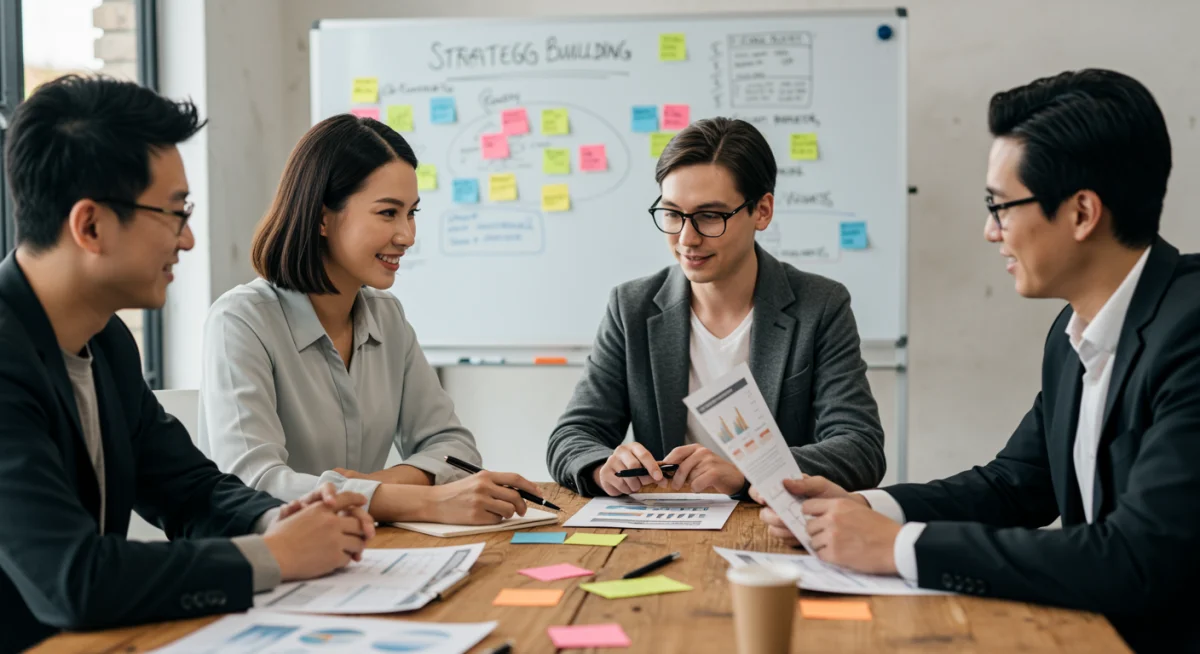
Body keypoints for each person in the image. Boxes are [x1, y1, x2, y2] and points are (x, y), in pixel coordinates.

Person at [756, 69, 1200, 652]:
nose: (990, 232)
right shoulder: (1074, 332)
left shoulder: (1189, 332)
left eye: (1001, 207)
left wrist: (896, 548)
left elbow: (1136, 556)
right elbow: (1014, 485)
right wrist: (866, 507)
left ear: (1082, 213)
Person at [0, 75, 375, 653]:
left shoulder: (107, 343)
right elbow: (73, 579)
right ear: (91, 226)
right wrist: (273, 556)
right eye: (175, 213)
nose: (190, 240)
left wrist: (278, 521)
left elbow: (187, 489)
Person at [197, 114, 541, 526]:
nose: (407, 235)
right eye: (387, 213)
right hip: (269, 569)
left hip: (361, 554)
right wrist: (419, 500)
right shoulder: (241, 320)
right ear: (323, 217)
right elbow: (254, 484)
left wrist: (376, 486)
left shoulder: (387, 317)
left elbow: (454, 447)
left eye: (411, 213)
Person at [547, 117, 886, 498]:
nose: (686, 239)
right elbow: (572, 436)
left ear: (762, 211)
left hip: (771, 528)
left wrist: (748, 474)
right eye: (673, 214)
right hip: (668, 526)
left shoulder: (820, 306)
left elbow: (861, 449)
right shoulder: (632, 308)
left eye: (710, 216)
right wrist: (600, 467)